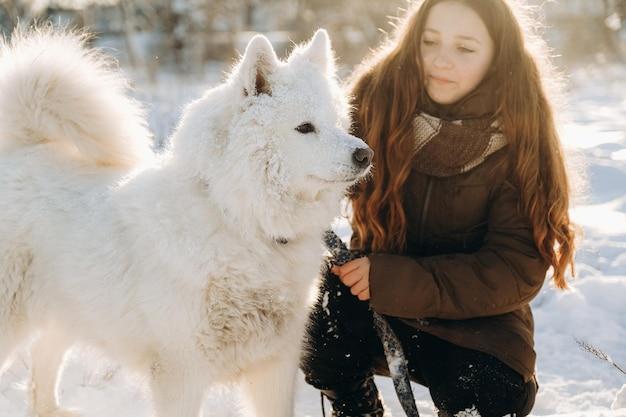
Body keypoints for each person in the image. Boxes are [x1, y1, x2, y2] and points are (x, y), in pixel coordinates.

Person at [300, 1, 577, 416]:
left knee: (495, 392)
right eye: (430, 41)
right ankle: (357, 408)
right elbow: (311, 154)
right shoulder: (378, 98)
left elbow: (515, 268)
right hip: (375, 300)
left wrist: (392, 278)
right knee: (310, 306)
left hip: (478, 325)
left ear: (497, 54)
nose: (442, 60)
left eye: (465, 48)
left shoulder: (521, 129)